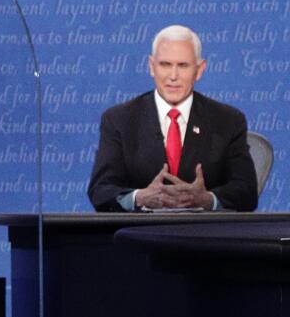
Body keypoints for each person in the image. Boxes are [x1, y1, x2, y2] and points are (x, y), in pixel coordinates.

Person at [86, 24, 258, 212]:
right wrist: (141, 197)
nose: (173, 76)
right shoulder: (119, 120)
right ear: (152, 67)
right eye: (165, 65)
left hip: (204, 234)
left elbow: (247, 192)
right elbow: (100, 191)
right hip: (141, 235)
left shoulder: (228, 121)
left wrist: (207, 199)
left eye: (183, 66)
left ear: (199, 70)